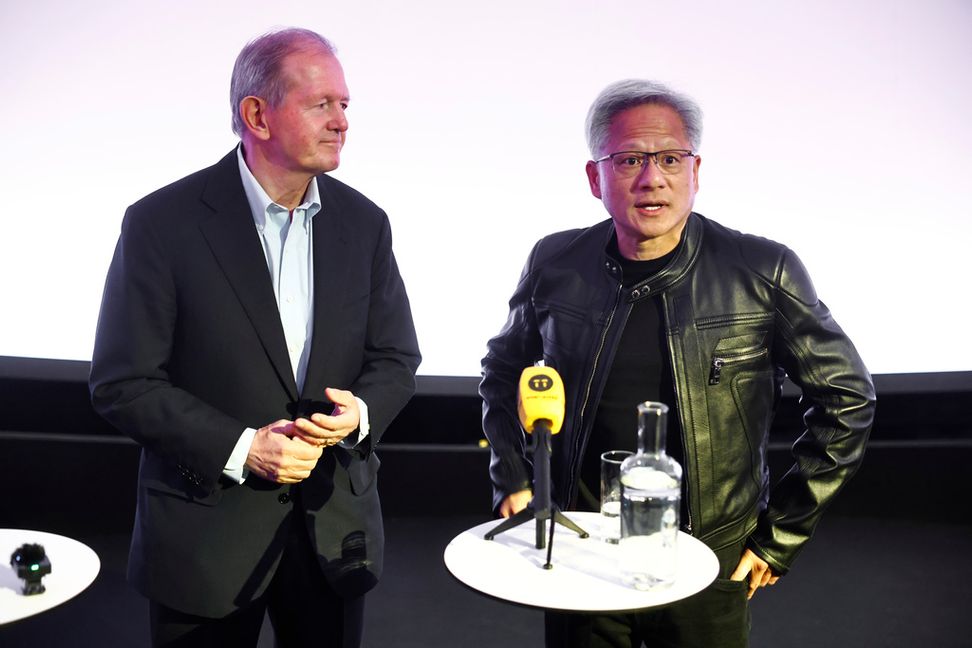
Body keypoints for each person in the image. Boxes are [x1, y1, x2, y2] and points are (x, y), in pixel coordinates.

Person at [480, 79, 875, 647]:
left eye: (670, 158)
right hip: (581, 546)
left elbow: (847, 398)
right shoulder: (555, 261)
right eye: (629, 160)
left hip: (710, 555)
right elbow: (502, 371)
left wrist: (781, 535)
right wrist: (512, 477)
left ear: (696, 170)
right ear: (594, 178)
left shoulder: (763, 271)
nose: (652, 178)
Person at [89, 27, 420, 647]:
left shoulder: (365, 223)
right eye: (322, 104)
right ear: (257, 115)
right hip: (204, 543)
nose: (342, 121)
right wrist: (243, 449)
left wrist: (360, 413)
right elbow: (123, 382)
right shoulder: (162, 223)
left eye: (345, 104)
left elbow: (396, 357)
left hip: (331, 537)